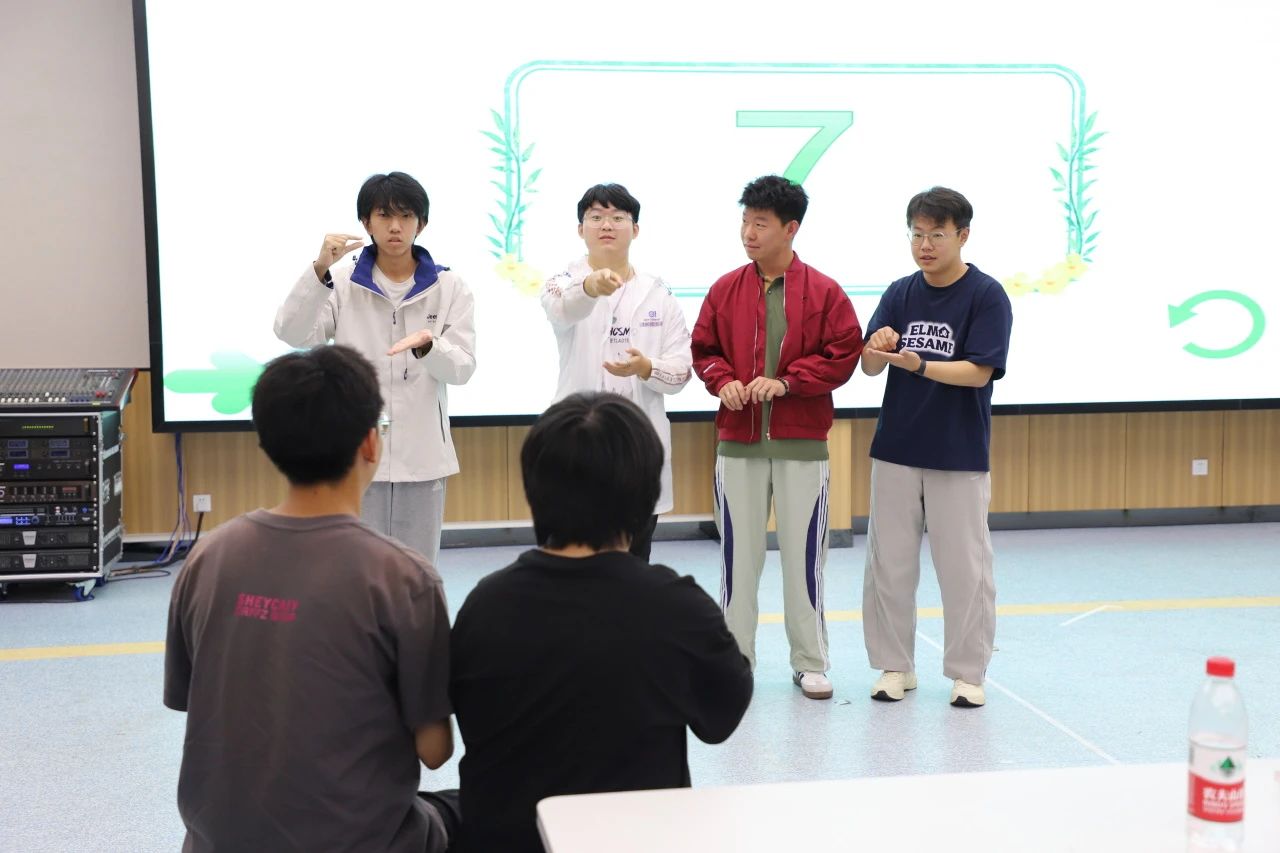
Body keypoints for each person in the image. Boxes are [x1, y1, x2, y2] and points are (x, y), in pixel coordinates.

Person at [163, 344, 459, 852]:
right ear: (371, 443)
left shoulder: (207, 557)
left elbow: (188, 698)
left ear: (267, 443)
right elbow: (434, 751)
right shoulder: (404, 578)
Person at [450, 392, 753, 853]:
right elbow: (721, 719)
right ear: (646, 495)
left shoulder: (485, 605)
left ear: (534, 489)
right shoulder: (677, 608)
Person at [691, 175, 862, 701]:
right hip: (737, 446)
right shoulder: (725, 288)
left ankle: (810, 662)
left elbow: (844, 354)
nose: (748, 232)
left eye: (760, 224)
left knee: (804, 559)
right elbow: (704, 350)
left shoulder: (825, 291)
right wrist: (723, 382)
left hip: (801, 446)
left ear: (790, 228)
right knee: (738, 561)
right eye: (745, 221)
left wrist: (788, 382)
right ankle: (735, 662)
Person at [859, 186, 1013, 708]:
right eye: (917, 234)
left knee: (964, 568)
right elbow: (870, 365)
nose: (925, 245)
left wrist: (920, 364)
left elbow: (979, 371)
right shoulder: (899, 292)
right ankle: (894, 666)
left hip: (958, 452)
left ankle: (968, 674)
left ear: (962, 236)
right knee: (889, 564)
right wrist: (877, 347)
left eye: (937, 235)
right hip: (896, 448)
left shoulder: (986, 295)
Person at [274, 171, 476, 567]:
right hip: (356, 448)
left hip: (422, 452)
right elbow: (292, 332)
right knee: (355, 567)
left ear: (422, 223)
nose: (395, 226)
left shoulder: (451, 286)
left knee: (416, 569)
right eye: (384, 215)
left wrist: (429, 347)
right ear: (366, 222)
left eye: (406, 215)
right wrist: (319, 269)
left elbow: (463, 368)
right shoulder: (342, 279)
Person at [539, 183, 692, 560]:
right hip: (578, 444)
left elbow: (681, 370)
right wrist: (590, 287)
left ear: (635, 229)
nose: (606, 225)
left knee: (634, 563)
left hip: (639, 447)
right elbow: (564, 310)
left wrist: (647, 368)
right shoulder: (562, 282)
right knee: (575, 563)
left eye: (618, 217)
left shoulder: (659, 293)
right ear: (581, 229)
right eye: (596, 217)